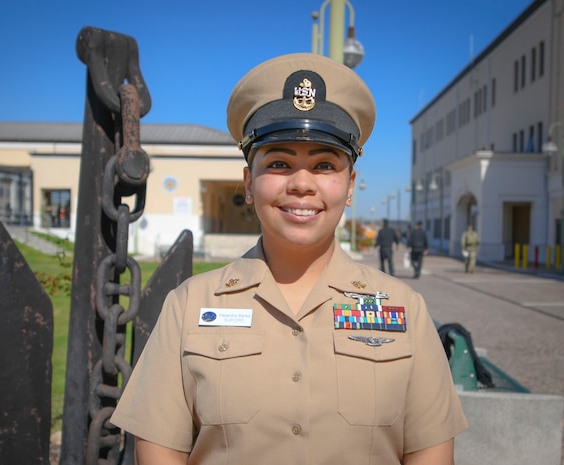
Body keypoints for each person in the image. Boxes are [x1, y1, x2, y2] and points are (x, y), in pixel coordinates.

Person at [110, 53, 467, 465]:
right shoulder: (190, 307)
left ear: (350, 186)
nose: (301, 184)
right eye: (279, 163)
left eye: (324, 165)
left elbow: (430, 454)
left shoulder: (405, 310)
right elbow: (159, 452)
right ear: (249, 182)